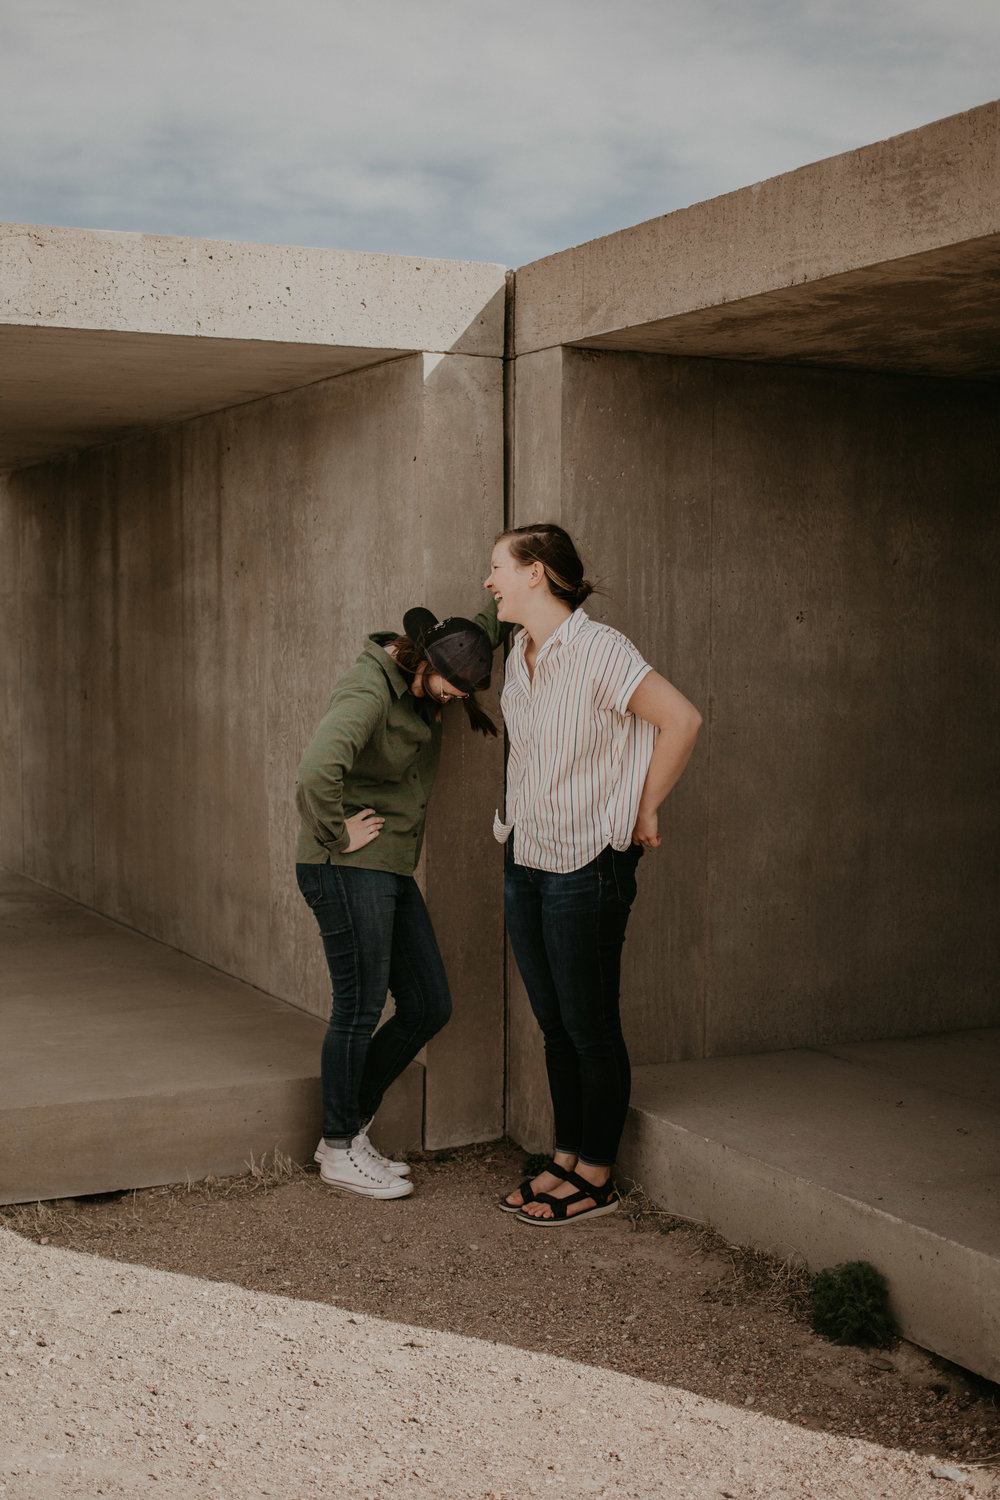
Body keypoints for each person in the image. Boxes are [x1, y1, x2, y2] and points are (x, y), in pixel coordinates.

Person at [487, 523, 702, 1226]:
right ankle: (567, 1157)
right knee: (554, 1025)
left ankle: (599, 1178)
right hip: (528, 857)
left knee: (589, 1025)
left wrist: (643, 809)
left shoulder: (602, 650)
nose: (489, 583)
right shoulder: (518, 656)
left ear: (537, 573)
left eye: (498, 569)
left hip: (587, 862)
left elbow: (681, 720)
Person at [295, 600, 506, 1199]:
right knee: (358, 1007)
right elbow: (315, 772)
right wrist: (337, 832)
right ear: (423, 663)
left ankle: (348, 1125)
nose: (457, 700)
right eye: (450, 690)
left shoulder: (444, 656)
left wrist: (524, 586)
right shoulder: (369, 691)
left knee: (427, 1003)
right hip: (344, 867)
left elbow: (485, 627)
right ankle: (338, 1150)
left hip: (385, 868)